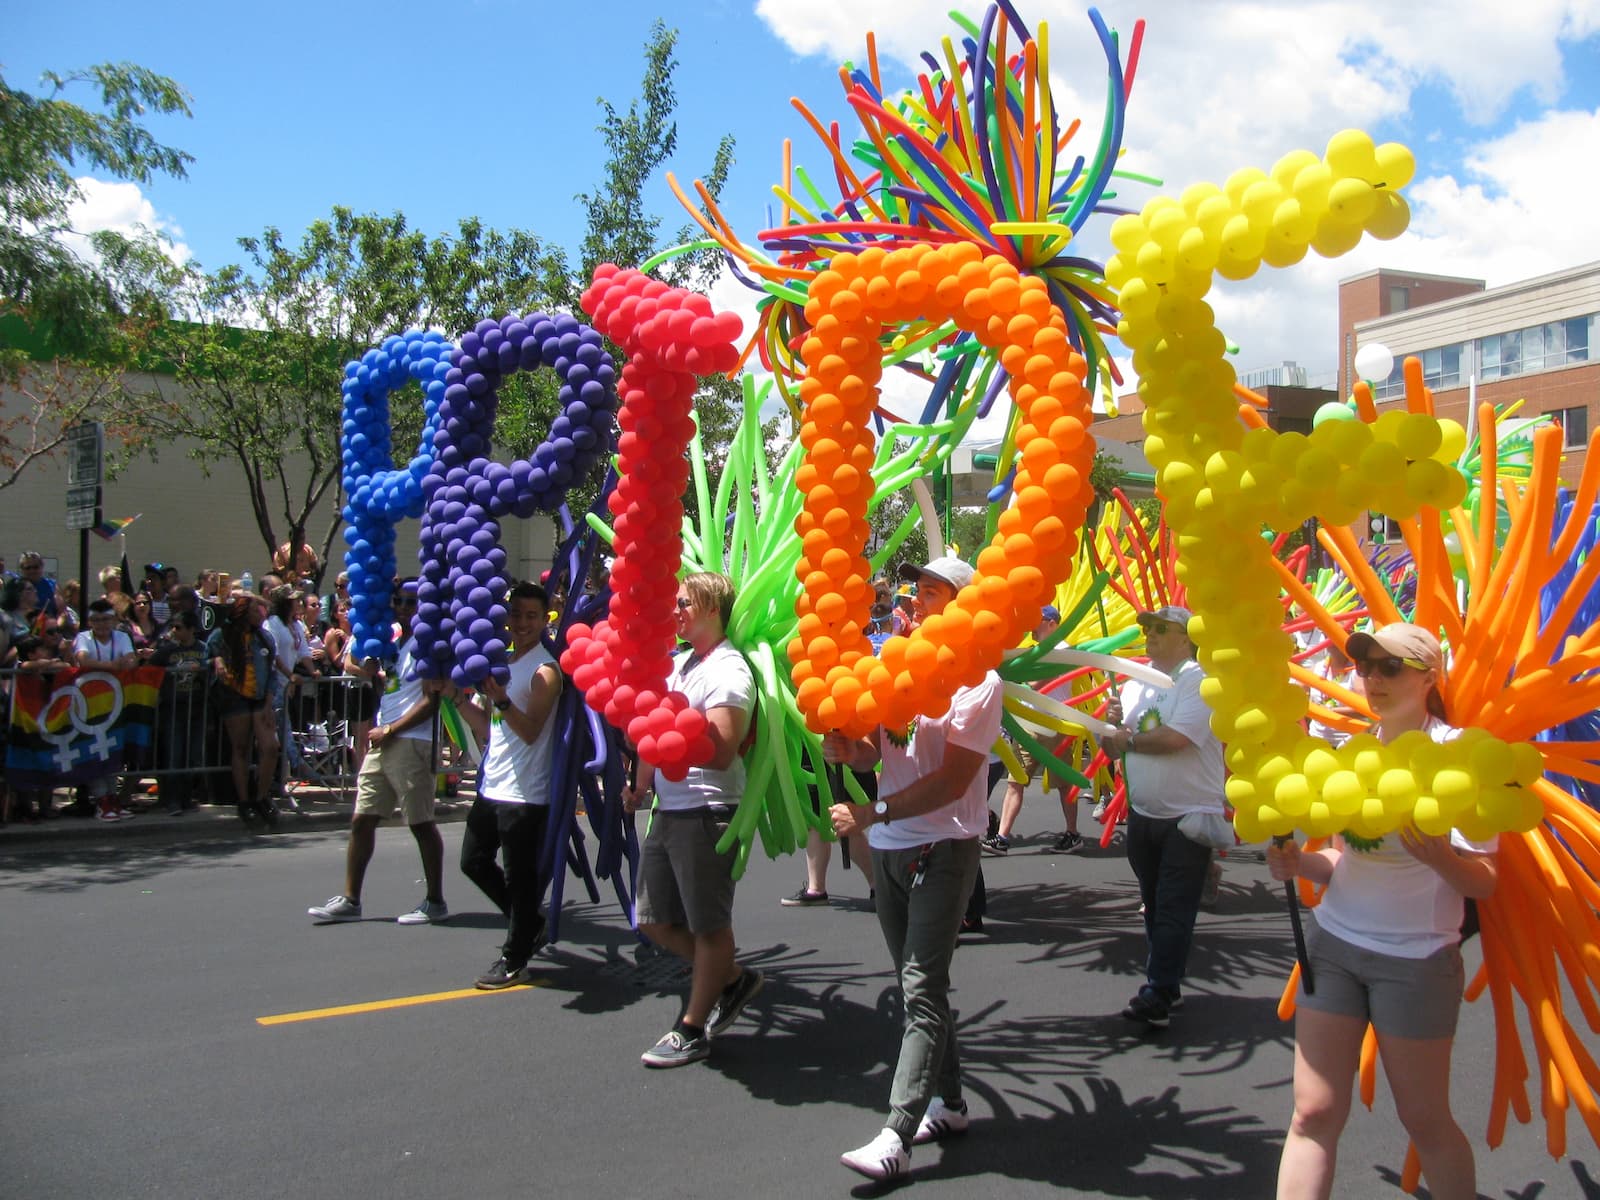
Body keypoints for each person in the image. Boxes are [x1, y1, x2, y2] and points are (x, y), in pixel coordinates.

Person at [1268, 623, 1496, 1200]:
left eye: (1390, 668)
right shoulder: (1354, 751)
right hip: (1335, 948)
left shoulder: (1460, 755)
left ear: (1428, 676)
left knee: (1425, 1122)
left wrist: (1440, 856)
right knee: (1312, 1113)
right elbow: (1343, 865)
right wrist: (1300, 865)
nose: (1374, 680)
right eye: (1367, 668)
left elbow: (1486, 882)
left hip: (1415, 962)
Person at [824, 555, 1004, 1182]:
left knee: (922, 987)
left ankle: (897, 1132)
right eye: (918, 590)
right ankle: (952, 1106)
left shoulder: (979, 680)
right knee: (917, 985)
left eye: (935, 591)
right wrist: (851, 745)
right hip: (892, 846)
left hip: (944, 847)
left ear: (961, 603)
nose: (919, 600)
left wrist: (872, 810)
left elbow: (954, 781)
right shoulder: (897, 660)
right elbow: (881, 744)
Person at [620, 571, 763, 1068]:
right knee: (654, 921)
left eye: (684, 603)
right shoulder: (678, 666)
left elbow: (723, 750)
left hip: (706, 812)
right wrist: (640, 783)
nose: (675, 610)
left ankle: (692, 1027)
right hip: (668, 810)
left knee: (708, 927)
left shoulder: (729, 670)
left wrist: (675, 739)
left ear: (710, 609)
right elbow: (650, 734)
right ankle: (731, 978)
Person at [1098, 605, 1226, 1029]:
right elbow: (1112, 748)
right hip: (1144, 813)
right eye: (1147, 629)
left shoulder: (1200, 681)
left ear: (1186, 638)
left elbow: (1176, 738)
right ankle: (1167, 985)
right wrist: (1109, 728)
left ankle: (1157, 990)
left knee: (1173, 906)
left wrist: (1126, 739)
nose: (1150, 635)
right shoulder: (1137, 683)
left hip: (1188, 817)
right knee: (1154, 904)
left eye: (1160, 629)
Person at [307, 580, 448, 925]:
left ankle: (435, 900)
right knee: (362, 819)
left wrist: (391, 729)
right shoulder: (393, 641)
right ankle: (351, 899)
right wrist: (373, 673)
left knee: (420, 822)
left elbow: (433, 700)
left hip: (411, 740)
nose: (403, 606)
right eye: (397, 600)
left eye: (410, 602)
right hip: (382, 739)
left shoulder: (429, 645)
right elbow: (363, 668)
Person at [456, 582, 562, 987]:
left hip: (526, 793)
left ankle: (515, 957)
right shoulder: (502, 664)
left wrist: (501, 700)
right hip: (493, 785)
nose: (521, 623)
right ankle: (529, 923)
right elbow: (491, 729)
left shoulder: (545, 670)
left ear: (544, 619)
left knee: (521, 880)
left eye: (530, 616)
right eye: (515, 615)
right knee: (473, 861)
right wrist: (459, 700)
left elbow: (532, 730)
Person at [981, 605, 1085, 855]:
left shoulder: (1063, 650)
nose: (1032, 628)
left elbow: (1037, 683)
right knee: (1016, 781)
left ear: (1051, 623)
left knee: (1064, 783)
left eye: (1037, 621)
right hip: (1030, 726)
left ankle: (1072, 833)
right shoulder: (1037, 650)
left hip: (1054, 725)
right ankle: (1003, 837)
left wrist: (1011, 675)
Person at [206, 593, 279, 824]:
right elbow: (207, 655)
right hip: (234, 696)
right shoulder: (222, 635)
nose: (261, 615)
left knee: (270, 746)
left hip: (259, 698)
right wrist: (216, 661)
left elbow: (272, 672)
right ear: (244, 613)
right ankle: (244, 800)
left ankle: (261, 796)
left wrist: (269, 703)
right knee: (241, 748)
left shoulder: (265, 638)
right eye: (257, 611)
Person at [73, 599, 140, 820]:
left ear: (113, 620)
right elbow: (83, 660)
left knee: (113, 751)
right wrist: (112, 666)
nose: (101, 624)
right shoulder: (83, 638)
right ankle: (101, 800)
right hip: (89, 704)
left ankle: (112, 798)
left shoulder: (121, 637)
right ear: (90, 621)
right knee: (93, 751)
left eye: (105, 619)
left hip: (115, 703)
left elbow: (131, 660)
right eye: (96, 620)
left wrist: (107, 665)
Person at [151, 612, 207, 815]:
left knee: (192, 755)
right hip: (173, 707)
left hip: (196, 707)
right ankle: (172, 799)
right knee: (174, 754)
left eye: (179, 627)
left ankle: (186, 797)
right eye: (173, 627)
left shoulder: (202, 648)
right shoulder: (167, 650)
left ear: (192, 629)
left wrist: (202, 669)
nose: (175, 631)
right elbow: (151, 666)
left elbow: (211, 669)